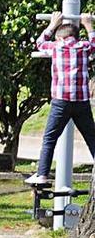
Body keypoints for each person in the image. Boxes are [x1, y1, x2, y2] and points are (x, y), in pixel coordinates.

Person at [25, 12, 95, 186]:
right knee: (91, 138)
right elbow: (94, 42)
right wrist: (88, 24)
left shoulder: (56, 47)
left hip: (60, 102)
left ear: (59, 37)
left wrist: (51, 25)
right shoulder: (84, 47)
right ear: (76, 36)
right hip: (81, 102)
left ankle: (42, 174)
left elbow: (40, 43)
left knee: (50, 138)